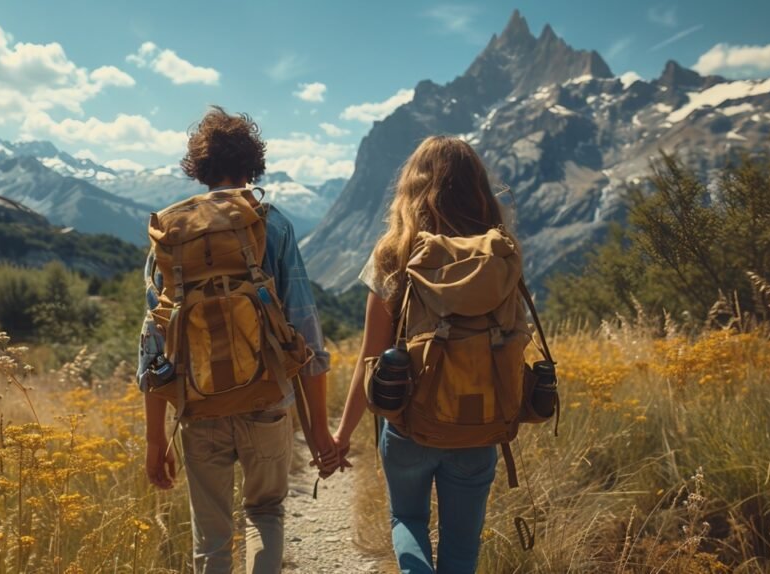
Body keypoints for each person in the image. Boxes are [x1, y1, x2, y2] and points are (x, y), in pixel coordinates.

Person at [137, 106, 340, 574]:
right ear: (253, 168)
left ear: (201, 172)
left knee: (211, 538)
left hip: (198, 403)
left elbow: (153, 344)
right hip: (267, 399)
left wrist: (154, 441)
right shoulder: (273, 224)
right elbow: (306, 331)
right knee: (264, 513)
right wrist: (317, 431)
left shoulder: (170, 236)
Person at [333, 136, 505, 574]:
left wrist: (340, 436)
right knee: (462, 548)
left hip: (410, 424)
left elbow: (370, 356)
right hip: (479, 424)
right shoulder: (500, 254)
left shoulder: (394, 252)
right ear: (479, 189)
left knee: (407, 519)